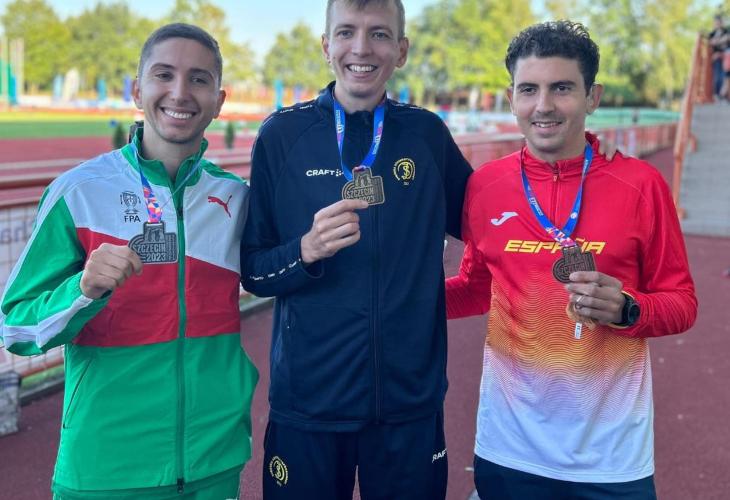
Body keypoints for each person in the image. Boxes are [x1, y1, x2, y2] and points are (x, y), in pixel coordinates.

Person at [0, 23, 257, 499]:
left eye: (199, 79)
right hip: (106, 468)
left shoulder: (236, 197)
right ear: (138, 91)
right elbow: (14, 328)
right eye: (164, 75)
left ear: (219, 101)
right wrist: (82, 290)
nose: (180, 92)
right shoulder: (78, 193)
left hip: (214, 462)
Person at [446, 21, 697, 500]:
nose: (543, 105)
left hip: (611, 457)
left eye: (561, 88)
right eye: (529, 89)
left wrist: (628, 309)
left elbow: (682, 302)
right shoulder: (485, 186)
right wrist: (392, 297)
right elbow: (477, 290)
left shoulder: (641, 185)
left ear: (592, 97)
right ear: (511, 98)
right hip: (508, 446)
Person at [240, 1, 473, 498]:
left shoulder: (426, 135)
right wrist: (305, 251)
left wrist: (568, 169)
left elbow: (489, 222)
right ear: (327, 47)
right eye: (346, 32)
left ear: (401, 51)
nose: (361, 48)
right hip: (309, 404)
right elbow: (254, 271)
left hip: (409, 404)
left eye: (379, 34)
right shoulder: (282, 135)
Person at [708, 14, 729, 101]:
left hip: (726, 57)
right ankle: (717, 94)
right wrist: (721, 40)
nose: (717, 24)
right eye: (716, 22)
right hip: (716, 57)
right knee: (717, 76)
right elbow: (711, 43)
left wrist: (717, 41)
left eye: (719, 22)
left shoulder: (726, 31)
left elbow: (726, 39)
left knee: (725, 76)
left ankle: (722, 95)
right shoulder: (712, 33)